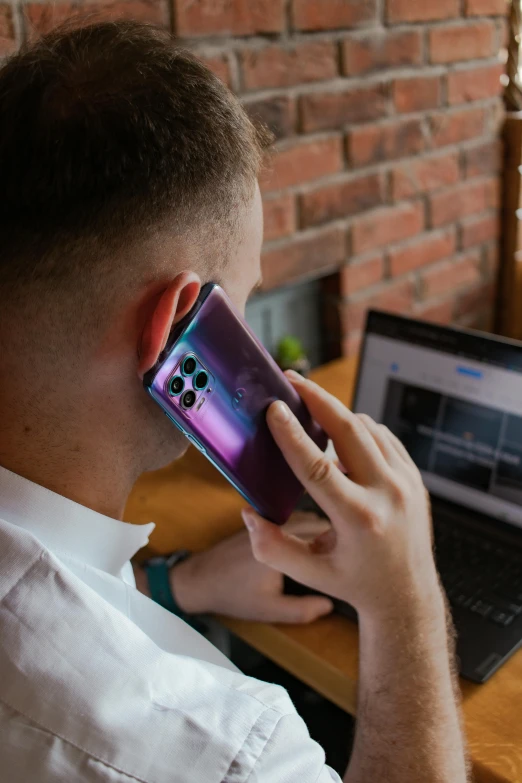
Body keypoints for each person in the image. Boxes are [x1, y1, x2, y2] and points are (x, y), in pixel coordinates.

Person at [0, 20, 468, 783]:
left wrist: (174, 583)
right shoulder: (222, 750)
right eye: (240, 307)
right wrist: (408, 599)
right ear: (174, 325)